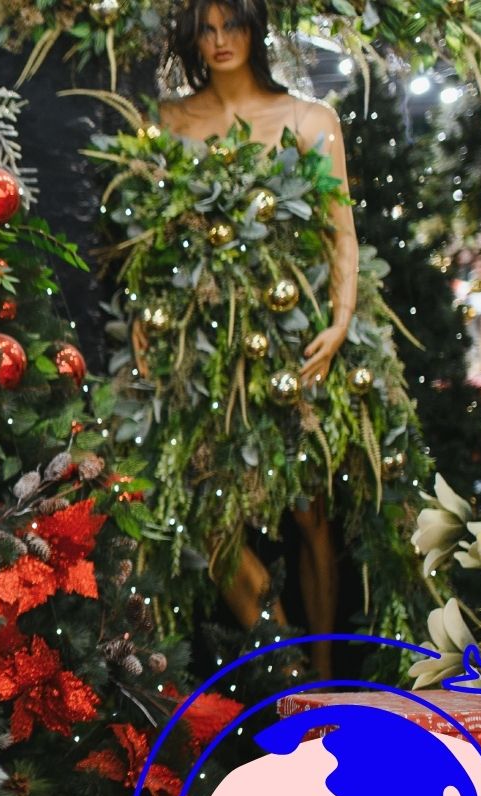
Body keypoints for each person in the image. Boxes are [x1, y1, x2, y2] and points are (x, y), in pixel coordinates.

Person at [122, 0, 426, 675]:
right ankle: (282, 663)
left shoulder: (309, 121)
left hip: (294, 331)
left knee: (310, 506)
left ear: (256, 30)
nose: (221, 40)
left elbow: (339, 231)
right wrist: (149, 313)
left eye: (233, 25)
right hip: (201, 336)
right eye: (206, 27)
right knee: (205, 504)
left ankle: (324, 680)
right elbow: (156, 235)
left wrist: (342, 319)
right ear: (190, 37)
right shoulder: (172, 124)